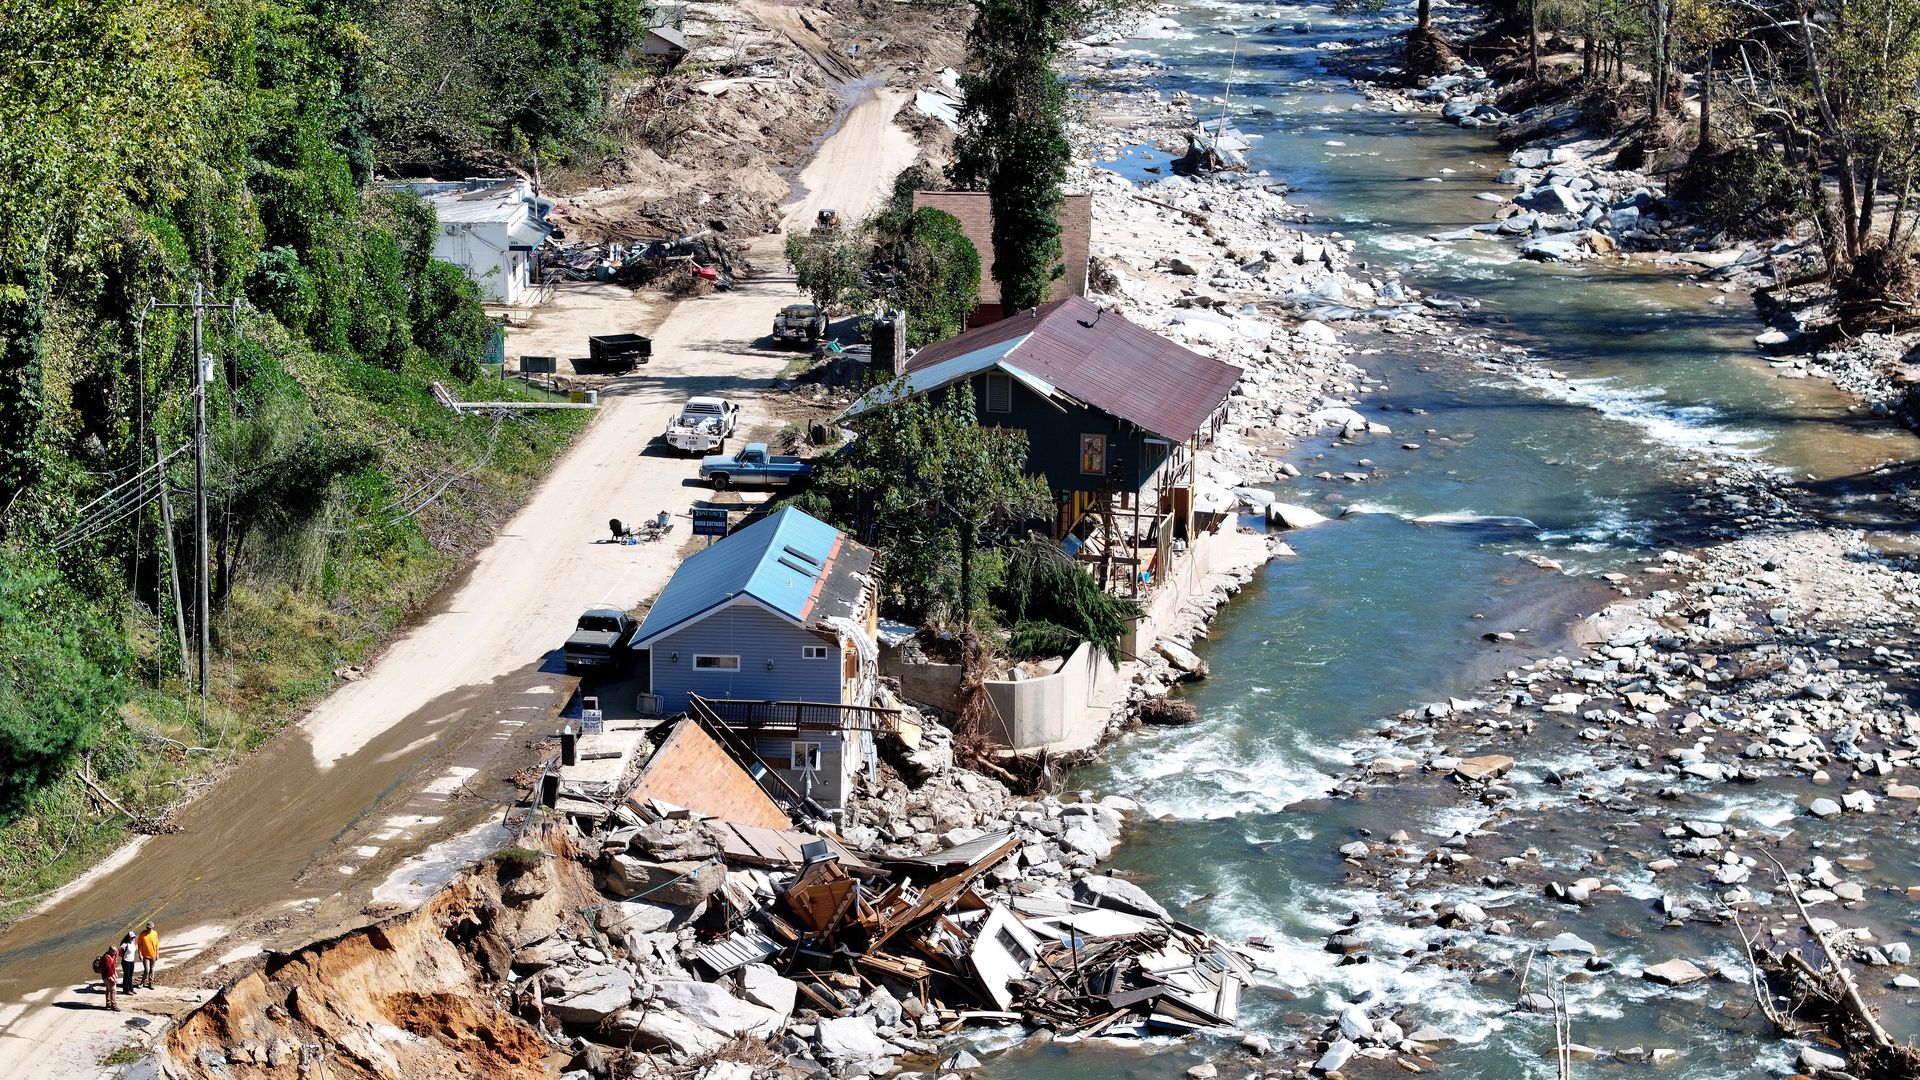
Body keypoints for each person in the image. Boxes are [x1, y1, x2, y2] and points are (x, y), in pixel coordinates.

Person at [137, 922, 159, 988]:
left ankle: (150, 983)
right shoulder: (142, 934)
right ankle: (142, 982)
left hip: (153, 955)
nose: (149, 929)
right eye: (148, 928)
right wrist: (140, 954)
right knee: (147, 970)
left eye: (150, 928)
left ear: (152, 928)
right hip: (145, 956)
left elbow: (157, 945)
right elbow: (139, 946)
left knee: (152, 969)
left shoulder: (155, 933)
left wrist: (157, 954)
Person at [97, 946, 119, 1011]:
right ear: (110, 951)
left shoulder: (111, 956)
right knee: (113, 990)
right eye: (114, 952)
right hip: (107, 976)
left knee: (108, 989)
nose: (115, 953)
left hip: (108, 975)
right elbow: (109, 969)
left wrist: (115, 973)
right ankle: (113, 1005)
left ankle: (108, 1003)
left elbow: (113, 966)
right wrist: (113, 977)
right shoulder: (107, 958)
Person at [118, 932, 137, 997]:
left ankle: (131, 988)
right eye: (132, 937)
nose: (133, 938)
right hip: (126, 961)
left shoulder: (133, 943)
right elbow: (119, 951)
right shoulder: (125, 944)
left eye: (134, 937)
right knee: (126, 976)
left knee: (130, 976)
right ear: (128, 937)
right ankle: (126, 990)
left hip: (131, 961)